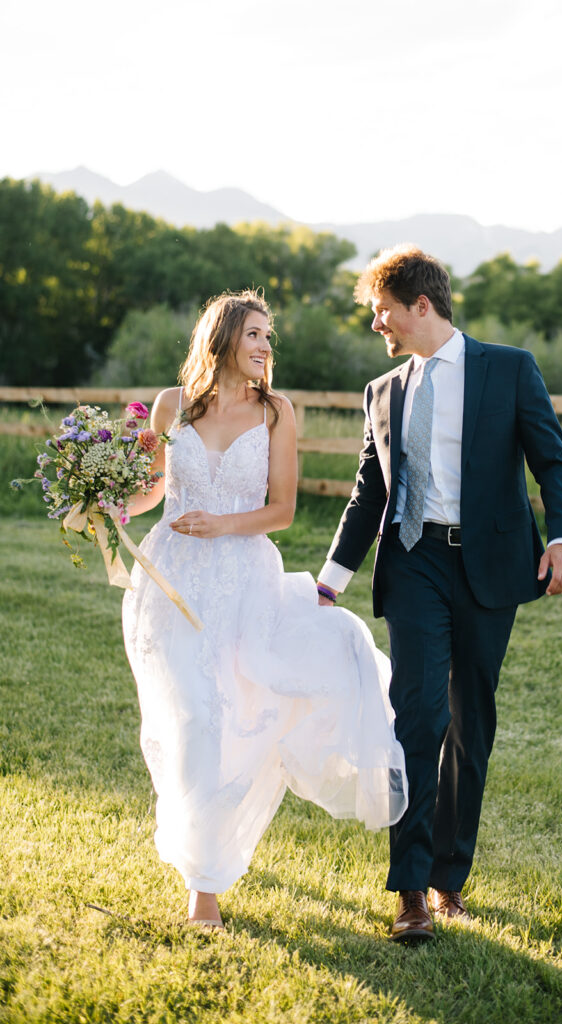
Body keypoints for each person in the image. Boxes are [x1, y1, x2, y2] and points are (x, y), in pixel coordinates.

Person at [317, 245, 562, 943]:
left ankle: (447, 877)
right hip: (413, 564)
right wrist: (332, 577)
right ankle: (407, 891)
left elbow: (552, 460)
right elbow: (366, 493)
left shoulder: (509, 368)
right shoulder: (382, 392)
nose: (378, 326)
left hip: (491, 566)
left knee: (470, 727)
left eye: (382, 313)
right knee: (416, 719)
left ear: (420, 306)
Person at [121, 289, 407, 929]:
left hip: (242, 582)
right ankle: (203, 878)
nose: (264, 346)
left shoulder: (278, 412)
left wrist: (221, 524)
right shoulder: (171, 406)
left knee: (227, 717)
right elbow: (152, 491)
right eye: (254, 333)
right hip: (171, 581)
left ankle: (205, 879)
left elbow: (282, 511)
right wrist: (107, 503)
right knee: (190, 714)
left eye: (268, 336)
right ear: (221, 337)